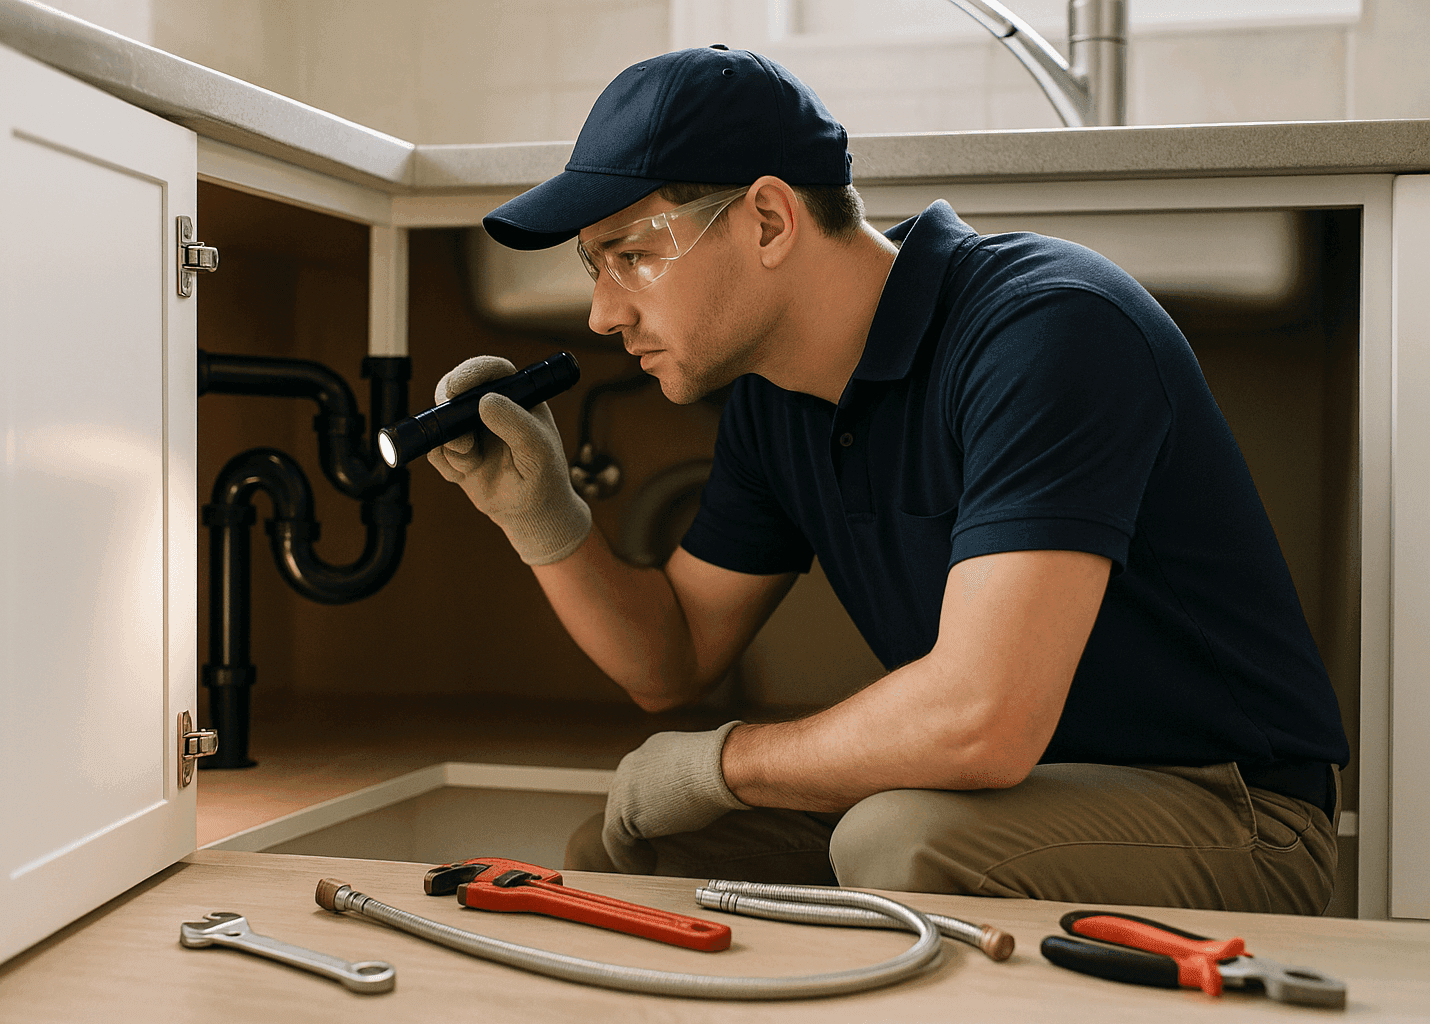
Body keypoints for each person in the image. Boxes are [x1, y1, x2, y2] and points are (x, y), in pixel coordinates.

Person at [427, 46, 1350, 913]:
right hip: (999, 791)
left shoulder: (1046, 328)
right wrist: (540, 514)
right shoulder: (773, 399)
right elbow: (673, 661)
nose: (601, 312)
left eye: (632, 255)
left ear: (768, 220)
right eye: (594, 265)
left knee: (900, 841)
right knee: (632, 853)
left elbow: (982, 720)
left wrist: (723, 765)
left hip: (1231, 810)